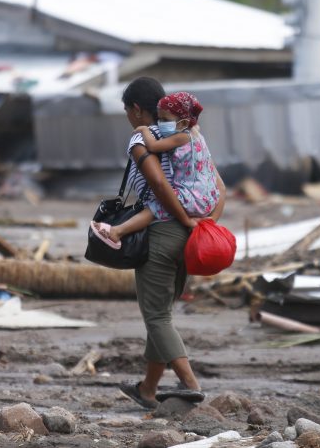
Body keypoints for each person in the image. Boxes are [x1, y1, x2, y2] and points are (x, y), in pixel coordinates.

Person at [113, 77, 227, 410]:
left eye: (127, 110)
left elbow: (159, 185)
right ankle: (148, 389)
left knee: (156, 316)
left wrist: (180, 217)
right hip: (188, 237)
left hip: (163, 232)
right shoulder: (192, 136)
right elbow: (219, 187)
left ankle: (190, 385)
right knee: (161, 313)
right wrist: (203, 224)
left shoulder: (140, 138)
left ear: (136, 109)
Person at [90, 91, 219, 248]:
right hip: (207, 197)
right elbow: (222, 187)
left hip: (192, 196)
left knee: (154, 207)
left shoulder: (182, 137)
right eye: (159, 119)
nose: (159, 124)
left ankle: (117, 231)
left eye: (164, 120)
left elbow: (153, 147)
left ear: (184, 123)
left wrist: (144, 130)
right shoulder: (196, 133)